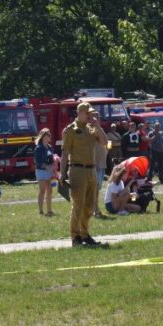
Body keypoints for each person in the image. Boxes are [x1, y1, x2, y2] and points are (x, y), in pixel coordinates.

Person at [60, 102, 103, 248]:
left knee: (90, 206)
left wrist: (98, 126)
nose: (91, 116)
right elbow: (65, 153)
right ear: (81, 113)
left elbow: (104, 141)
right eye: (89, 113)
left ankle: (85, 233)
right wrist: (62, 173)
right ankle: (75, 236)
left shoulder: (91, 128)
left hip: (92, 170)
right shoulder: (71, 130)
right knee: (78, 205)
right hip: (77, 170)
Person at [87, 109, 111, 220]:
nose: (96, 119)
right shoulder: (88, 130)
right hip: (93, 164)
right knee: (94, 189)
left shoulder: (99, 129)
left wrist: (98, 126)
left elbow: (105, 142)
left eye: (98, 117)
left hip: (101, 164)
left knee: (97, 188)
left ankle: (94, 209)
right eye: (94, 117)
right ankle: (95, 210)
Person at [34, 128, 56, 217]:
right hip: (41, 171)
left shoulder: (50, 147)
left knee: (50, 191)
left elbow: (52, 158)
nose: (50, 137)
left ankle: (49, 210)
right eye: (48, 135)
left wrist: (54, 165)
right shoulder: (38, 148)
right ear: (43, 137)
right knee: (42, 191)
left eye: (50, 135)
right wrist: (46, 166)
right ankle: (40, 211)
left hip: (49, 172)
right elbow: (37, 162)